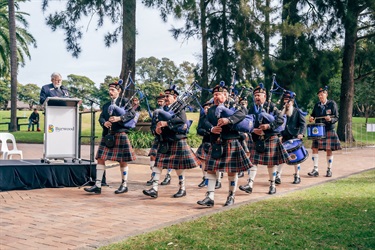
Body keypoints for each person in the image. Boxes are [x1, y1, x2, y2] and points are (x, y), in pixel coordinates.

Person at [197, 83, 253, 207]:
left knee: (232, 172)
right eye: (214, 95)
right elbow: (204, 121)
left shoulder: (235, 105)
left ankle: (231, 196)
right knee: (210, 170)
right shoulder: (211, 109)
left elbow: (243, 113)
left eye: (219, 94)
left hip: (231, 141)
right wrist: (211, 129)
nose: (216, 97)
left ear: (225, 95)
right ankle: (210, 197)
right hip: (216, 142)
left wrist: (229, 120)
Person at [143, 85, 200, 199]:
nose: (166, 98)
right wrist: (156, 130)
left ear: (175, 97)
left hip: (176, 139)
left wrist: (166, 124)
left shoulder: (180, 107)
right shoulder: (162, 109)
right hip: (164, 140)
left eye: (168, 96)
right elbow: (154, 123)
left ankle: (182, 188)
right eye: (165, 96)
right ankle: (154, 189)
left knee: (179, 167)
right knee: (158, 165)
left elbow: (182, 121)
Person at [84, 80, 137, 194]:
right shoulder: (106, 104)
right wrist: (104, 123)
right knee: (100, 158)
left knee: (122, 160)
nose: (110, 92)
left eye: (112, 90)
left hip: (120, 133)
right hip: (108, 135)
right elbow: (101, 117)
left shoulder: (125, 101)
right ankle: (98, 185)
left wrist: (119, 118)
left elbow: (131, 114)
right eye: (109, 90)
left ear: (119, 91)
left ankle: (124, 184)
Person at [239, 84, 290, 195]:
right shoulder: (252, 108)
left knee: (271, 164)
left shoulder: (271, 106)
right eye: (255, 95)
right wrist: (253, 130)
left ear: (265, 96)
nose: (257, 97)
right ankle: (250, 184)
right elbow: (247, 122)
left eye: (259, 95)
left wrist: (268, 126)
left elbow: (280, 120)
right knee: (253, 162)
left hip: (270, 137)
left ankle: (272, 185)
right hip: (257, 138)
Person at [308, 86, 341, 177]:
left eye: (322, 94)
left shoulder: (332, 104)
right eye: (319, 95)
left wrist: (330, 119)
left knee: (328, 149)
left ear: (326, 94)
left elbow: (336, 117)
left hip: (328, 129)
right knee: (314, 148)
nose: (320, 96)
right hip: (318, 130)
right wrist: (311, 118)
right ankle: (315, 169)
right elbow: (313, 115)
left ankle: (329, 169)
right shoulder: (317, 105)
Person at [275, 91, 306, 184]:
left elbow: (303, 124)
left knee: (296, 157)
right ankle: (278, 176)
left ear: (292, 102)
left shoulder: (297, 112)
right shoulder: (281, 112)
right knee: (281, 158)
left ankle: (297, 176)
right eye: (285, 101)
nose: (286, 104)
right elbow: (277, 125)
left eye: (288, 102)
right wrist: (279, 135)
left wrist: (301, 133)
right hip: (284, 137)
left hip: (294, 137)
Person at [146, 93, 174, 186]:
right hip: (158, 138)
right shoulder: (156, 111)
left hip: (169, 137)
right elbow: (153, 124)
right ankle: (153, 175)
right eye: (158, 102)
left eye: (161, 101)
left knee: (169, 159)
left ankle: (168, 176)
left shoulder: (171, 110)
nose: (160, 103)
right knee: (153, 156)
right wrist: (154, 130)